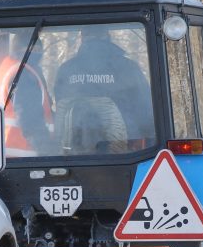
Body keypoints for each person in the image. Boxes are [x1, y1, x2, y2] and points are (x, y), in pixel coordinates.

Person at [53, 25, 154, 154]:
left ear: (83, 38)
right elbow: (146, 109)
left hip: (75, 151)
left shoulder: (66, 69)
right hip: (125, 152)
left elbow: (61, 106)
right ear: (107, 36)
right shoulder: (128, 68)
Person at [0, 32, 54, 157]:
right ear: (20, 49)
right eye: (33, 49)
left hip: (5, 153)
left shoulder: (5, 69)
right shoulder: (22, 74)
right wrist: (48, 151)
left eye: (39, 49)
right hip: (26, 157)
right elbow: (30, 119)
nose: (37, 53)